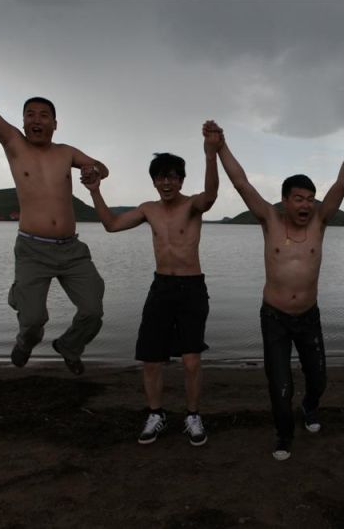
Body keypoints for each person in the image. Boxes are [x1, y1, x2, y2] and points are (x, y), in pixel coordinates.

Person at [0, 18, 107, 375]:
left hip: (71, 250)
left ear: (55, 123)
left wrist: (94, 172)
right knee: (35, 319)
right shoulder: (14, 143)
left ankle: (69, 345)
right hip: (33, 249)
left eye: (44, 115)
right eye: (30, 115)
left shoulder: (66, 152)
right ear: (23, 122)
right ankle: (25, 339)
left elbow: (100, 166)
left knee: (93, 311)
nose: (37, 120)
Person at [216, 119, 344, 460]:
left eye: (311, 200)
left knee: (318, 379)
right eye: (299, 199)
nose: (306, 205)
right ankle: (284, 434)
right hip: (274, 317)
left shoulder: (319, 222)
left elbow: (343, 183)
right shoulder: (269, 221)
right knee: (280, 384)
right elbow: (241, 182)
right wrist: (221, 146)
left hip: (308, 317)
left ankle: (310, 406)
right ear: (285, 201)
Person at [83, 122, 220, 446]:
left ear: (181, 180)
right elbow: (112, 225)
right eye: (160, 177)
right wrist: (95, 190)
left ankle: (192, 415)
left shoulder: (193, 205)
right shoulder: (149, 209)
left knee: (191, 360)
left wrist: (210, 153)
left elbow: (212, 195)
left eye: (172, 177)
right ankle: (156, 414)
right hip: (161, 288)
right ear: (154, 181)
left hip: (191, 288)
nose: (166, 182)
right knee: (151, 358)